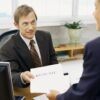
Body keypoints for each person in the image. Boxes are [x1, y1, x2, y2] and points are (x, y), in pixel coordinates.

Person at [0, 5, 58, 99]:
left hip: (48, 85)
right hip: (26, 88)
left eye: (33, 22)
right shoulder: (7, 48)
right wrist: (22, 76)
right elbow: (11, 75)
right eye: (25, 23)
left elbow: (53, 58)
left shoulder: (46, 36)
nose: (31, 27)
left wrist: (56, 74)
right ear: (16, 25)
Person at [48, 0, 100, 100]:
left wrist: (58, 97)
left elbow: (83, 94)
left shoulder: (95, 48)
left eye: (96, 7)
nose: (93, 13)